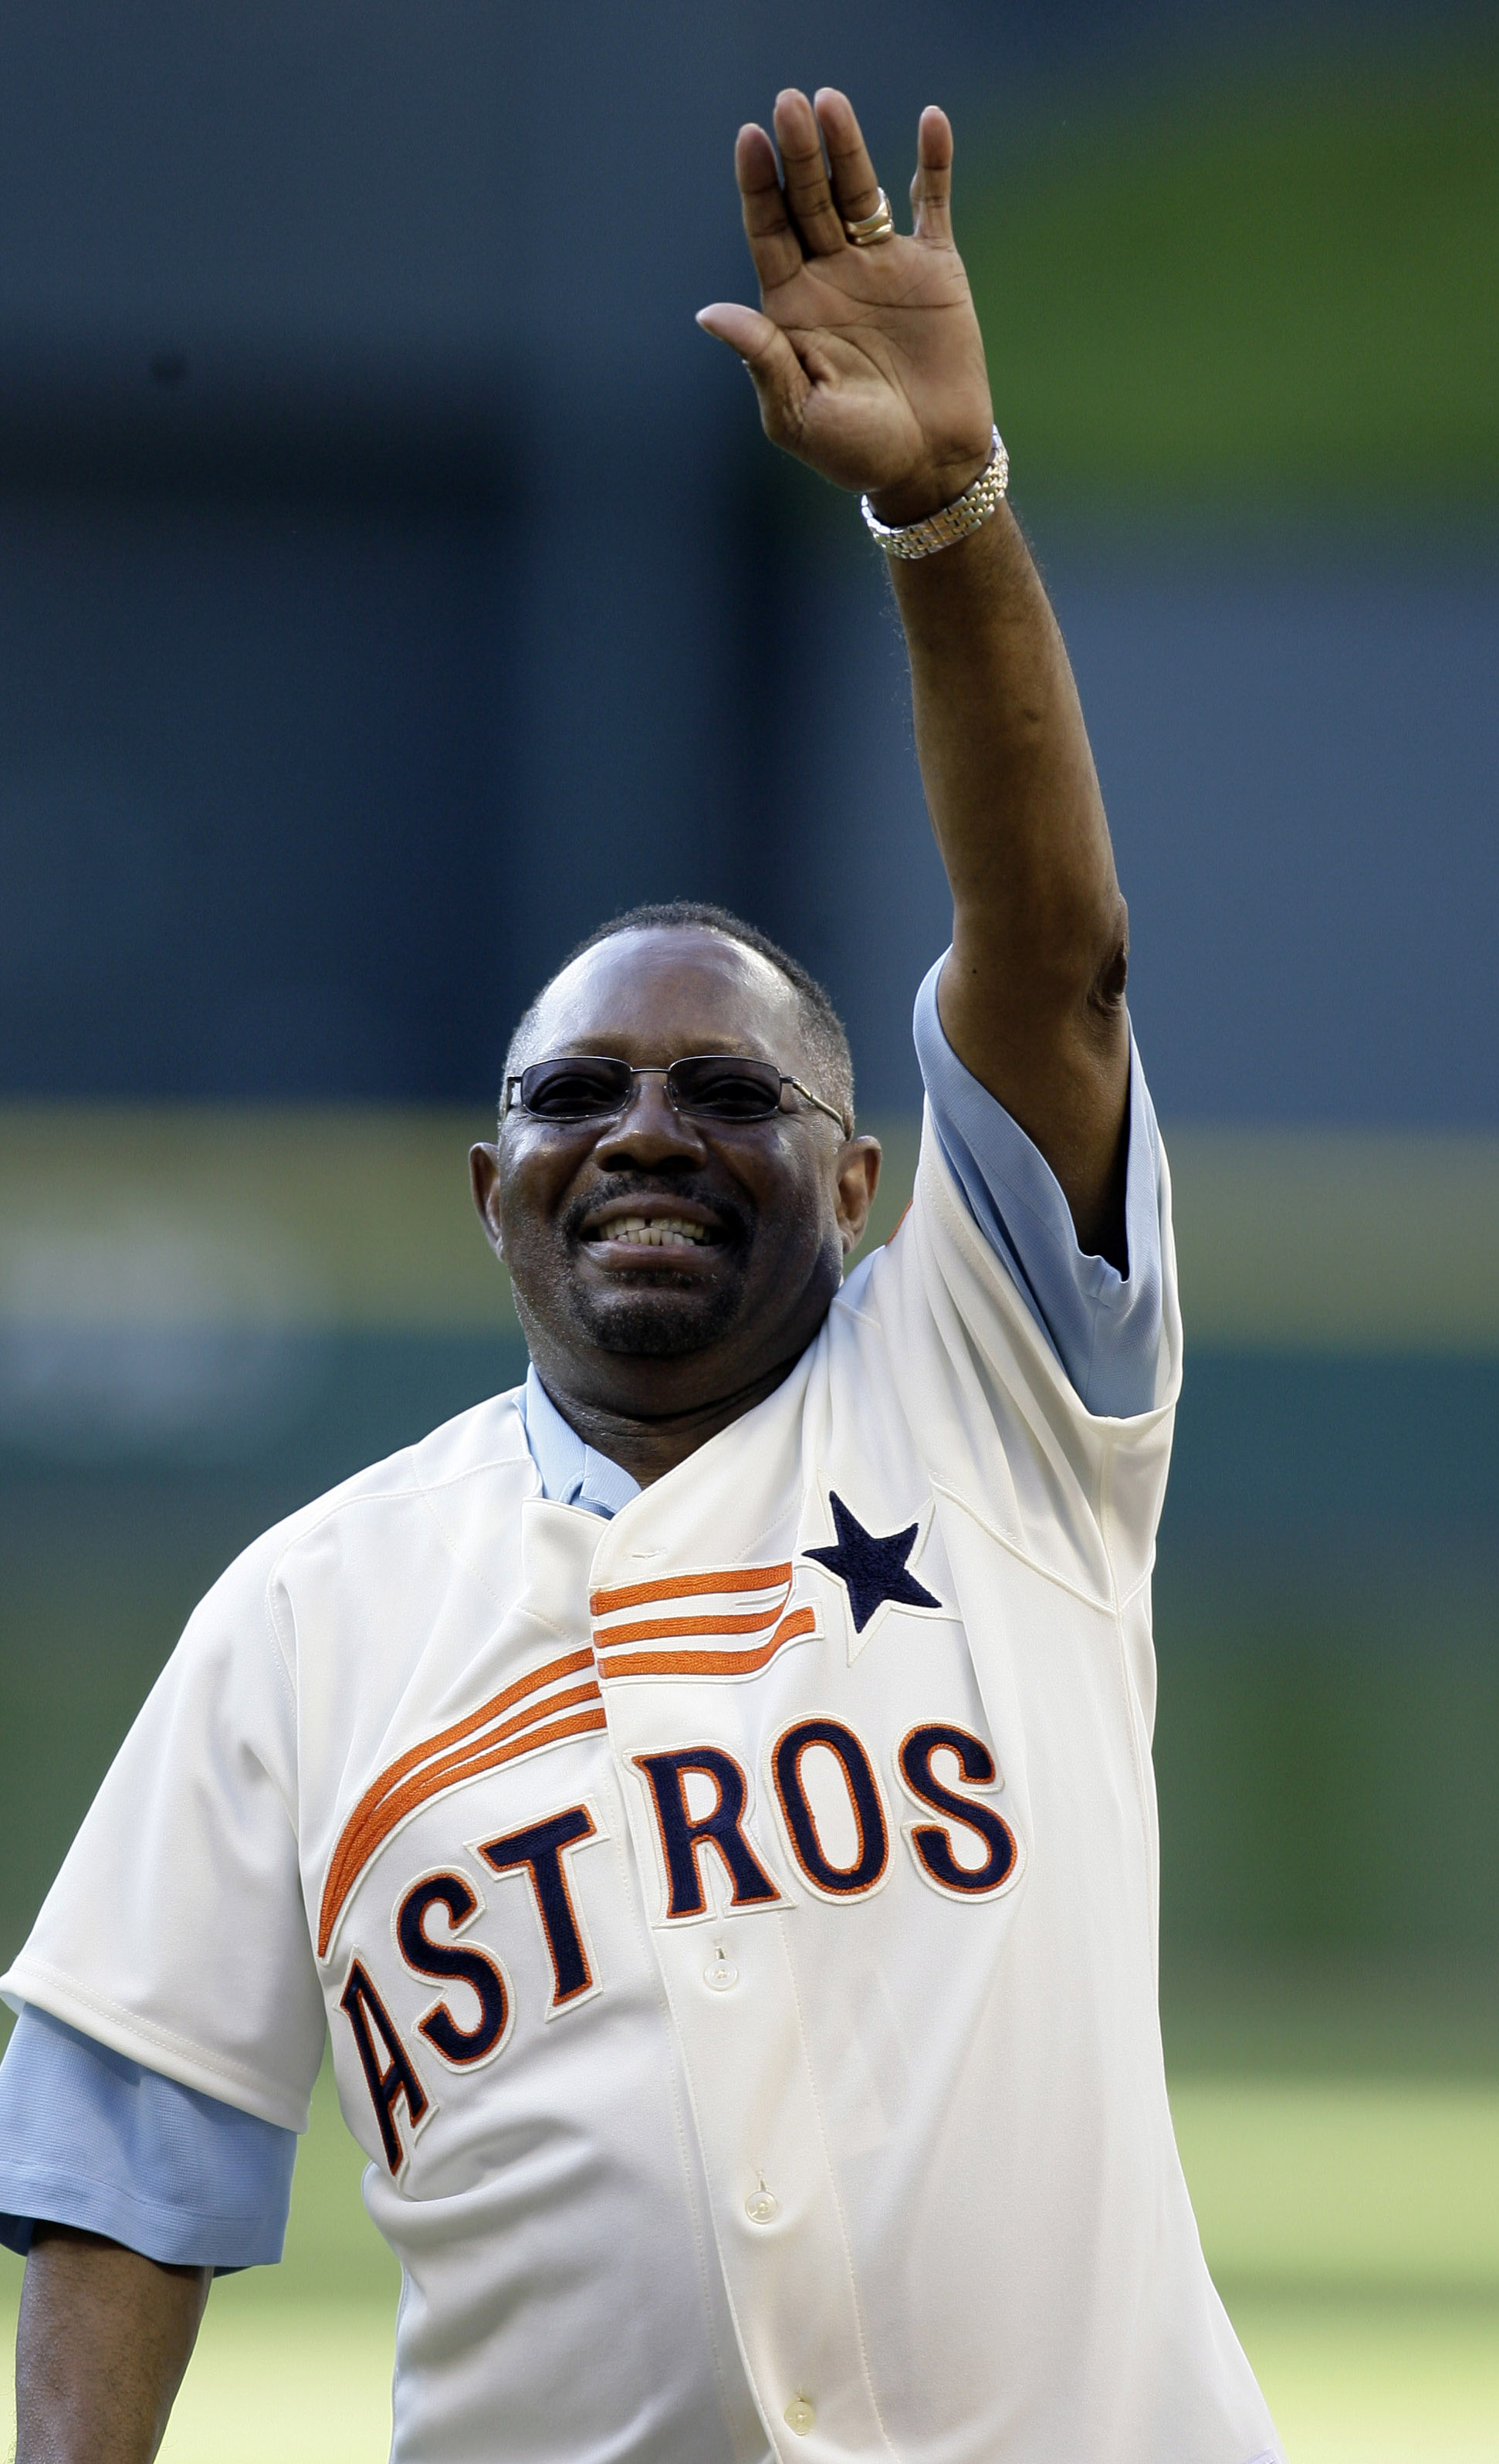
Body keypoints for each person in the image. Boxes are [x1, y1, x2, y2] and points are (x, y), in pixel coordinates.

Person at [0, 86, 1281, 2464]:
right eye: (577, 1102)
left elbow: (1061, 964)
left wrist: (942, 512)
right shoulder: (308, 1615)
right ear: (489, 1192)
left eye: (729, 1094)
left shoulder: (997, 1403)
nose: (649, 1133)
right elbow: (119, 2159)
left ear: (877, 1180)